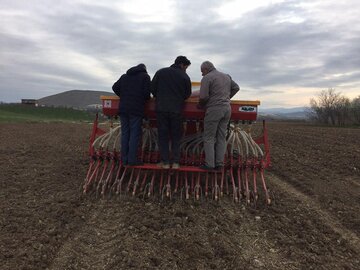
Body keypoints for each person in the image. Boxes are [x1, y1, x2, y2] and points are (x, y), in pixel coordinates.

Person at [151, 56, 192, 169]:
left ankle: (164, 162)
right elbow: (187, 94)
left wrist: (159, 97)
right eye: (186, 67)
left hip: (161, 109)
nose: (185, 69)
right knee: (176, 136)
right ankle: (175, 162)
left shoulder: (160, 72)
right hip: (177, 110)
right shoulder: (184, 76)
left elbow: (152, 89)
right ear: (182, 65)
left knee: (163, 135)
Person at [198, 61, 240, 170]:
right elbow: (236, 88)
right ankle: (219, 163)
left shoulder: (207, 78)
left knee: (209, 137)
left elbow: (203, 96)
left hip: (214, 109)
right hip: (227, 109)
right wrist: (227, 98)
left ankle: (209, 164)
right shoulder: (226, 77)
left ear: (206, 69)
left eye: (202, 72)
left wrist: (200, 106)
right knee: (221, 137)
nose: (202, 74)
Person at [112, 63, 151, 166]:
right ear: (144, 69)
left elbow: (114, 87)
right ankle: (132, 160)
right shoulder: (145, 77)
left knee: (125, 133)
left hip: (123, 109)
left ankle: (124, 159)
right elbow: (147, 94)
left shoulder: (125, 76)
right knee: (134, 134)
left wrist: (124, 95)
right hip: (136, 110)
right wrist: (140, 98)